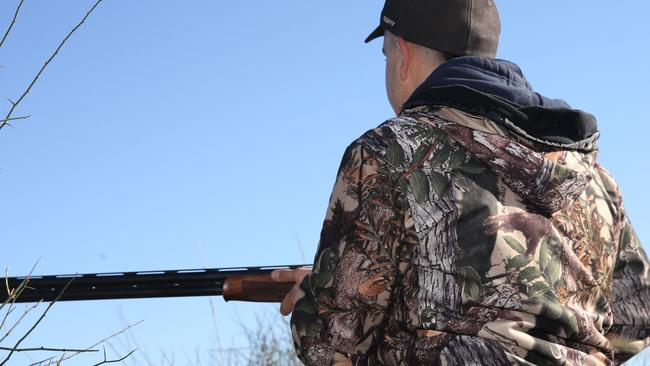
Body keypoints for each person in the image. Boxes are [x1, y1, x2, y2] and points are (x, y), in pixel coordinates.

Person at [272, 0, 650, 364]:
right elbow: (637, 318)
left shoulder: (389, 152)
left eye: (386, 55)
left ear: (402, 55)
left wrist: (316, 293)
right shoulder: (596, 180)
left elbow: (331, 344)